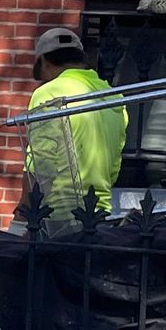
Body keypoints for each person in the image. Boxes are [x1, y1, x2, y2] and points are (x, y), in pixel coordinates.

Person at [25, 25, 127, 219]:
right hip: (99, 214)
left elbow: (39, 165)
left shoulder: (49, 93)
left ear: (44, 61)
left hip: (56, 216)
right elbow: (113, 168)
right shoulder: (114, 97)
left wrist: (23, 218)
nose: (42, 82)